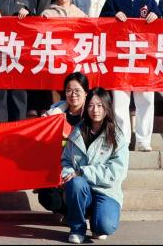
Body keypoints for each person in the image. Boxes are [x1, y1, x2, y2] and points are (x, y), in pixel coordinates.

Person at [101, 0, 160, 152]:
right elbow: (101, 23)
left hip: (143, 59)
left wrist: (156, 16)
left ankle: (143, 140)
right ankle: (123, 141)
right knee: (120, 102)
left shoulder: (149, 1)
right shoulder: (113, 0)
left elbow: (161, 24)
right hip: (120, 58)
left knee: (146, 100)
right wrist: (113, 15)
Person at [60, 87, 128, 244]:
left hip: (106, 190)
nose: (95, 110)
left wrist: (83, 172)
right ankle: (77, 228)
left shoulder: (117, 136)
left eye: (100, 105)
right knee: (76, 183)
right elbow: (66, 160)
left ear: (107, 107)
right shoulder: (77, 132)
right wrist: (68, 174)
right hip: (81, 188)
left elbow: (117, 172)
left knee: (105, 226)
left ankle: (97, 221)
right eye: (90, 105)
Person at [37, 72, 90, 216]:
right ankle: (68, 213)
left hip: (82, 168)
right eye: (69, 90)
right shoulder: (53, 114)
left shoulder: (93, 115)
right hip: (57, 167)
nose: (73, 94)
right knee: (47, 197)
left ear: (86, 93)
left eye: (77, 90)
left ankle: (83, 212)